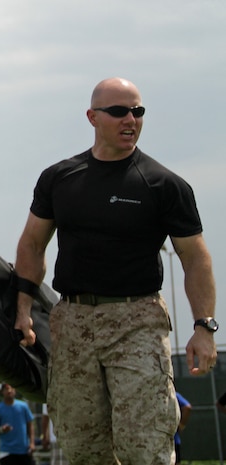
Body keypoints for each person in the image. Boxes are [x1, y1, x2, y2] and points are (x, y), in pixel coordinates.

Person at [13, 77, 217, 465]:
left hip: (136, 322)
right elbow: (32, 244)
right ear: (92, 117)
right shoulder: (59, 179)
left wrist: (204, 326)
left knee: (145, 447)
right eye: (120, 111)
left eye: (138, 111)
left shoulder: (163, 184)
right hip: (72, 324)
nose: (131, 119)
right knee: (82, 449)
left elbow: (195, 258)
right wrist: (23, 310)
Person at [0, 383, 35, 465]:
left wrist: (32, 443)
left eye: (12, 388)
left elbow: (30, 425)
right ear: (2, 391)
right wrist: (1, 429)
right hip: (7, 451)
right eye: (7, 389)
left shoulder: (23, 406)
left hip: (24, 450)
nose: (9, 391)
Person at [174, 392, 192, 465]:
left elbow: (187, 407)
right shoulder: (171, 394)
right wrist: (181, 425)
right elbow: (187, 407)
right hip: (173, 440)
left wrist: (181, 425)